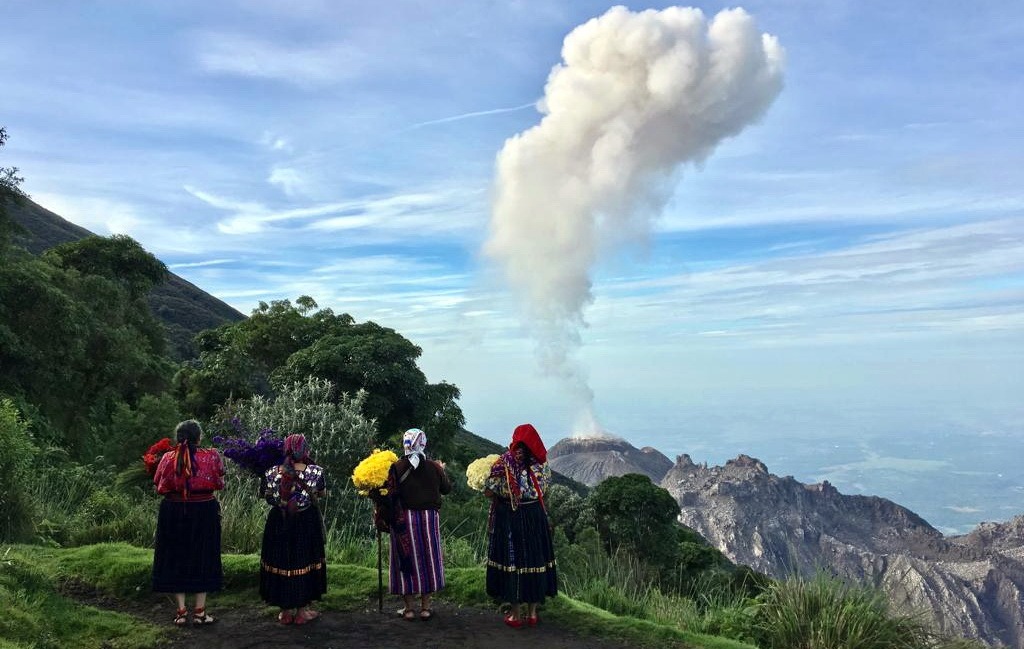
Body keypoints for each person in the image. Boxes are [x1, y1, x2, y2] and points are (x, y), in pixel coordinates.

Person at [483, 423, 558, 628]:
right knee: (534, 559)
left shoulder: (504, 464)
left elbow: (490, 491)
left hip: (511, 517)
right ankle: (532, 613)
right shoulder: (541, 465)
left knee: (513, 561)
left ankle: (515, 615)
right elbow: (545, 487)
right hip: (535, 515)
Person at [152, 419, 225, 626]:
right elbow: (219, 481)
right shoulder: (211, 456)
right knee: (203, 554)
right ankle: (200, 612)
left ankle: (181, 612)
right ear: (198, 437)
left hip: (174, 511)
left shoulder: (167, 458)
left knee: (176, 556)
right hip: (204, 511)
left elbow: (158, 482)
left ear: (179, 438)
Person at [260, 433, 328, 626]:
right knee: (304, 560)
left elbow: (265, 495)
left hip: (278, 522)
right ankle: (302, 611)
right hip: (305, 520)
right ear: (305, 450)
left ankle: (285, 612)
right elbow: (322, 493)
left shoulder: (271, 471)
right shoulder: (315, 471)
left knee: (281, 561)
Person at [384, 428, 452, 621]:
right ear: (423, 443)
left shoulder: (396, 467)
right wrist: (442, 470)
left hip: (403, 520)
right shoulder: (434, 467)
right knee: (427, 559)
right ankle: (425, 608)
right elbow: (446, 489)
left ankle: (408, 609)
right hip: (429, 520)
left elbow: (389, 493)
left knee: (405, 560)